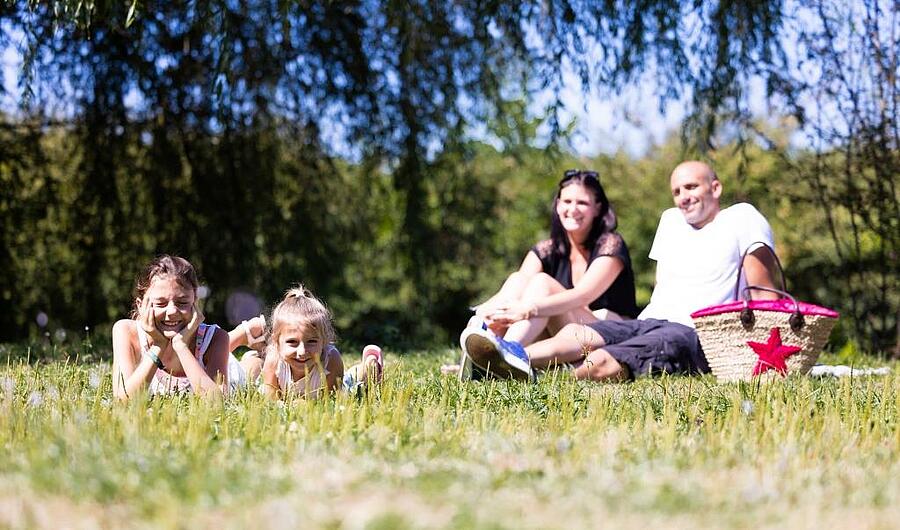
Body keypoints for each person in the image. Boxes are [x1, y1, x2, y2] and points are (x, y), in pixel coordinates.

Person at [462, 161, 779, 381]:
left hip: (692, 331)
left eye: (691, 186)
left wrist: (765, 350)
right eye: (677, 191)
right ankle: (508, 354)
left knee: (597, 365)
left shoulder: (742, 218)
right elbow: (663, 285)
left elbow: (763, 293)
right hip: (648, 322)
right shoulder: (671, 221)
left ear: (716, 187)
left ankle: (510, 364)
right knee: (578, 334)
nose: (683, 197)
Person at [454, 169, 638, 379]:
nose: (573, 209)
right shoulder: (547, 250)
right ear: (558, 205)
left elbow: (584, 295)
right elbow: (518, 288)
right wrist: (488, 311)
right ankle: (488, 347)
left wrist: (529, 309)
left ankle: (506, 353)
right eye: (567, 201)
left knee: (543, 284)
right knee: (517, 280)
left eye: (582, 203)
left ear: (597, 208)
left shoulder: (611, 244)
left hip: (605, 334)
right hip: (562, 333)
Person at [112, 255, 251, 399]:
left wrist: (181, 346)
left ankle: (250, 349)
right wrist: (158, 346)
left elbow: (217, 403)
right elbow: (122, 400)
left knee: (251, 370)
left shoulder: (217, 338)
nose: (172, 311)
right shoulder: (126, 332)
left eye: (182, 302)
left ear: (195, 302)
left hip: (231, 373)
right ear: (140, 306)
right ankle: (244, 336)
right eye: (160, 303)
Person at [258, 286, 384, 400]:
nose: (302, 352)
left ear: (324, 341)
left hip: (338, 387)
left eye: (311, 341)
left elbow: (330, 400)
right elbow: (272, 399)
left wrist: (305, 405)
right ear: (276, 342)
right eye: (292, 342)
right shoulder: (274, 360)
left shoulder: (331, 359)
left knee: (351, 383)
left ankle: (368, 367)